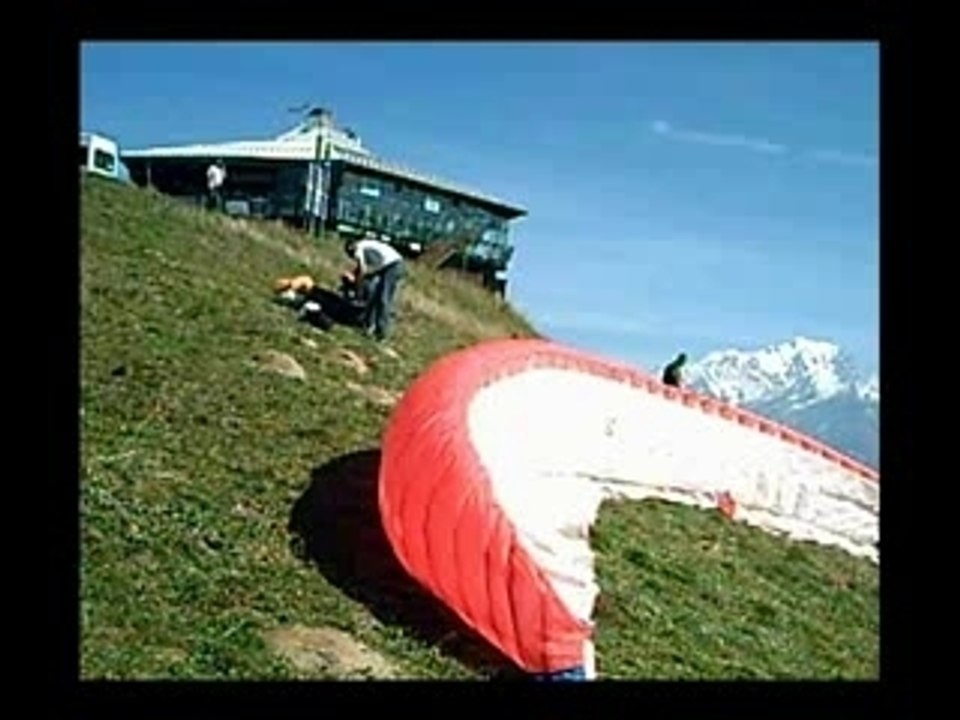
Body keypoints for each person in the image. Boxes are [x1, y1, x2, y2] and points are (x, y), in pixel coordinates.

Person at [344, 237, 406, 342]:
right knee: (373, 295)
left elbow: (364, 270)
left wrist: (357, 284)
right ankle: (368, 326)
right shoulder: (363, 246)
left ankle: (382, 333)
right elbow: (363, 269)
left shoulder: (360, 249)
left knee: (383, 299)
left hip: (393, 266)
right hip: (387, 265)